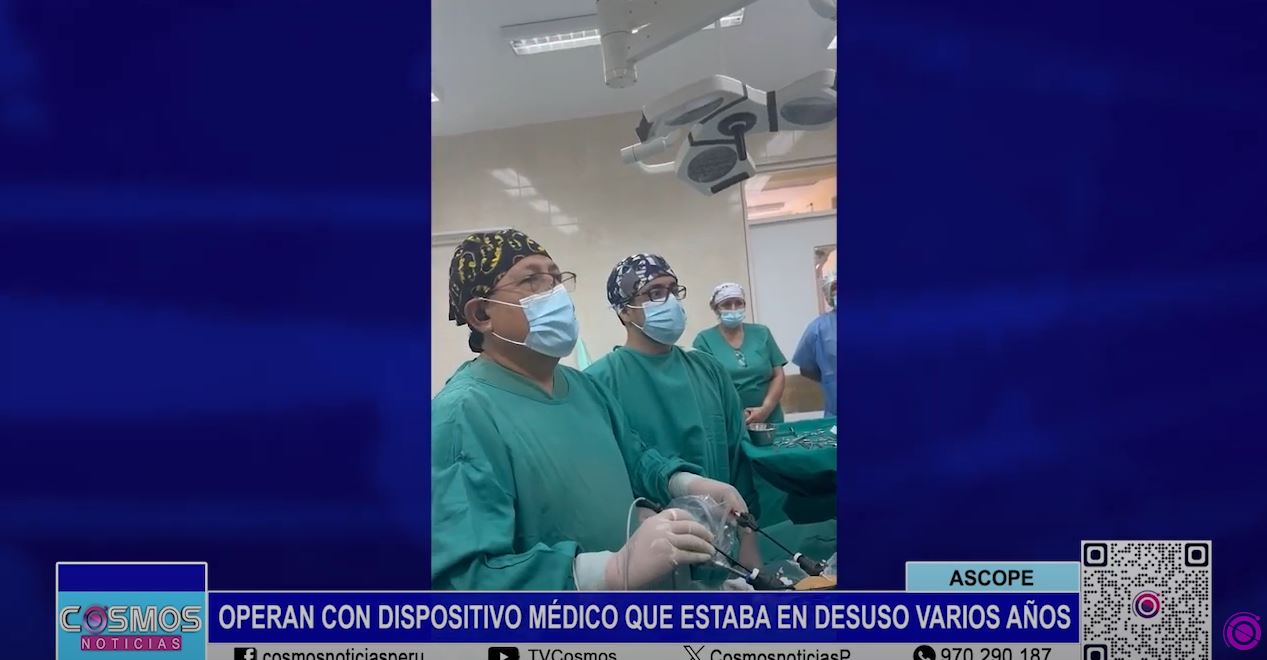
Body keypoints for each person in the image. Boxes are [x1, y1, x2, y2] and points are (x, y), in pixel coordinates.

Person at [432, 230, 750, 591]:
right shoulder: (462, 416)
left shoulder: (584, 388)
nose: (555, 293)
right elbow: (465, 578)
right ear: (481, 314)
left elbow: (635, 457)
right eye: (532, 280)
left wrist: (684, 482)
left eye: (555, 278)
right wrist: (607, 571)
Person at [584, 254, 762, 570]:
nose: (669, 301)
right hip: (647, 558)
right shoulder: (599, 382)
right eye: (654, 292)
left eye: (673, 289)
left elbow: (739, 456)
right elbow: (605, 479)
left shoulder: (708, 370)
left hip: (724, 551)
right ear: (624, 310)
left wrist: (748, 540)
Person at [692, 282, 788, 424]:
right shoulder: (704, 340)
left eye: (738, 303)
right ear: (716, 309)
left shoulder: (762, 333)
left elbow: (778, 375)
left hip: (769, 418)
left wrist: (765, 409)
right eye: (726, 304)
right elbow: (704, 387)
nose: (733, 308)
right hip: (728, 421)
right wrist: (734, 415)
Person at [792, 268, 837, 417]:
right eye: (835, 287)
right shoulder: (818, 328)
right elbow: (806, 368)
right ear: (829, 294)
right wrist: (830, 378)